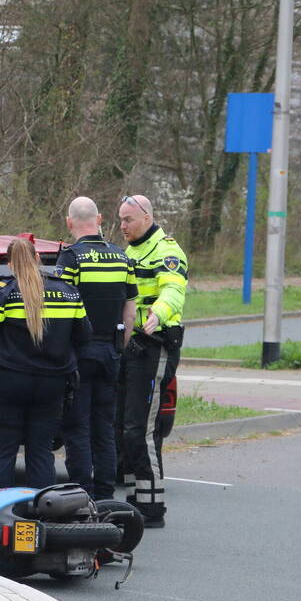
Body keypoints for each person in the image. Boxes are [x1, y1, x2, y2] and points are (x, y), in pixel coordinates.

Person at [0, 238, 92, 491]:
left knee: (3, 451)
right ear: (38, 259)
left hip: (7, 382)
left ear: (9, 264)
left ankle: (0, 516)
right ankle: (42, 514)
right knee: (40, 451)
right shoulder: (69, 292)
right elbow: (84, 336)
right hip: (52, 384)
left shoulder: (3, 292)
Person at [56, 197, 137, 500]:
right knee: (104, 425)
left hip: (79, 353)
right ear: (100, 219)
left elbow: (62, 308)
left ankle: (81, 492)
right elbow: (130, 311)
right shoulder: (121, 257)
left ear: (69, 222)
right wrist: (120, 347)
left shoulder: (71, 258)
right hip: (110, 352)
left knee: (77, 425)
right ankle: (105, 493)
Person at [115, 194, 188, 528]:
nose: (123, 226)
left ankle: (152, 507)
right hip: (133, 345)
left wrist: (157, 314)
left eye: (128, 220)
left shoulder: (167, 251)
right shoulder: (130, 252)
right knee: (125, 428)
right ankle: (135, 500)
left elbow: (173, 291)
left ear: (146, 217)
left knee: (141, 429)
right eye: (119, 220)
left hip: (156, 343)